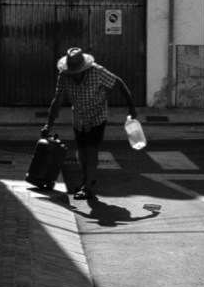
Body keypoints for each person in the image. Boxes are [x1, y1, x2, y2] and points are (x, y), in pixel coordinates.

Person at [41, 47, 138, 200]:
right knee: (81, 151)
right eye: (72, 71)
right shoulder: (64, 75)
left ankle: (87, 187)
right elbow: (57, 100)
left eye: (77, 71)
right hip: (78, 117)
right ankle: (88, 178)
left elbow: (119, 83)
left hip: (97, 115)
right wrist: (49, 125)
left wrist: (131, 107)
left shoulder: (97, 71)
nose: (74, 73)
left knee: (92, 150)